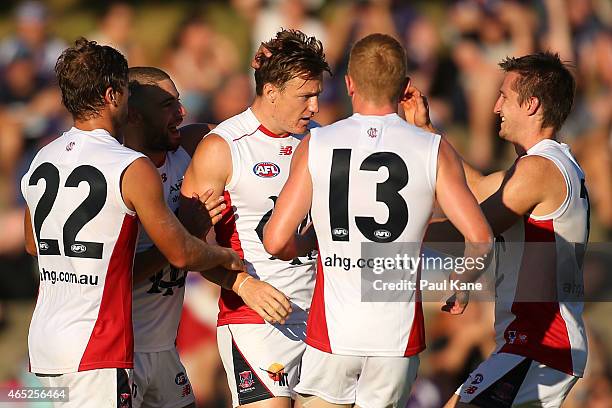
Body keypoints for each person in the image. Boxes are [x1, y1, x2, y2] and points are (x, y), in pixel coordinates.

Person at [263, 33, 493, 408]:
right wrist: (462, 281)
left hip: (332, 332)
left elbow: (275, 241)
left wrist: (314, 243)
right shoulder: (432, 147)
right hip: (396, 337)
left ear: (349, 83)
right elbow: (479, 237)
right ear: (404, 86)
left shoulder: (318, 144)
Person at [20, 38, 246, 407]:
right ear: (112, 95)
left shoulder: (44, 156)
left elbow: (33, 243)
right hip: (97, 345)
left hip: (48, 341)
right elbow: (182, 254)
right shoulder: (127, 165)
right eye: (125, 91)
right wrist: (225, 258)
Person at [406, 52, 589, 407]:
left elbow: (473, 231)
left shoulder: (538, 169)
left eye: (504, 95)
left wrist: (404, 233)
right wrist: (427, 133)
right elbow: (476, 189)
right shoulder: (543, 165)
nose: (494, 107)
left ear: (532, 104)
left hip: (540, 342)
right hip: (538, 343)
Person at [124, 66, 293, 408]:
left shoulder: (193, 145)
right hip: (123, 348)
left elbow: (244, 132)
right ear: (135, 115)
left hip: (165, 348)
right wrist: (183, 238)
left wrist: (274, 79)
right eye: (167, 105)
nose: (181, 113)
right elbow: (117, 277)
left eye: (180, 102)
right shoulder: (119, 171)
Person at [180, 29, 331, 407]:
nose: (314, 107)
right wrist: (244, 284)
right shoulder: (223, 147)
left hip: (322, 322)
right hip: (255, 321)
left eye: (317, 95)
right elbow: (185, 245)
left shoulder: (323, 140)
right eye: (305, 96)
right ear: (272, 90)